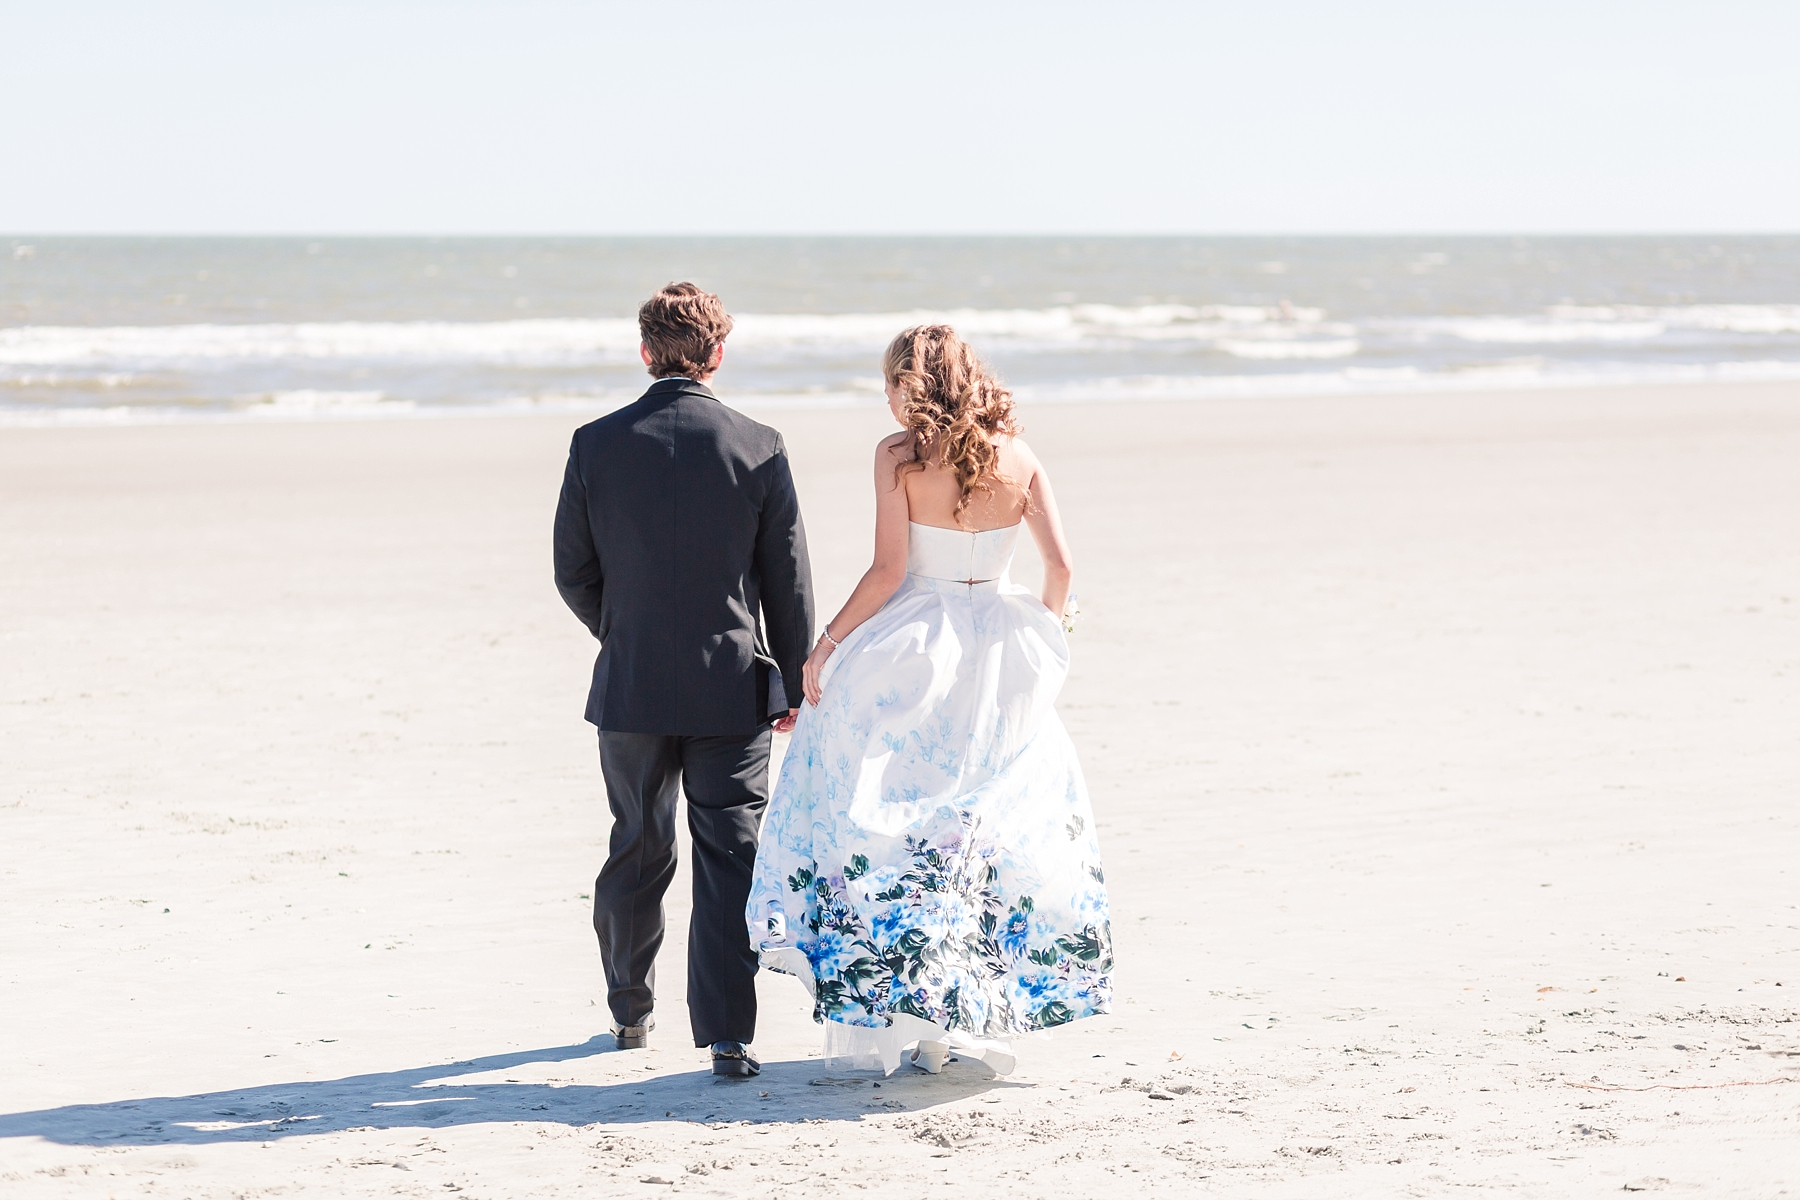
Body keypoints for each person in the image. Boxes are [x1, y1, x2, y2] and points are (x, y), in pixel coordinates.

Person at [747, 324, 1112, 1075]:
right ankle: (971, 1018)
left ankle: (914, 1014)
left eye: (889, 384)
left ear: (912, 387)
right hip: (999, 650)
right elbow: (1064, 568)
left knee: (892, 821)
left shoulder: (897, 456)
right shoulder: (1020, 456)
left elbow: (886, 571)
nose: (885, 398)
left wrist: (827, 646)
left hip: (916, 644)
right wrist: (1043, 627)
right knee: (980, 830)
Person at [553, 282, 813, 1078]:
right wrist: (797, 687)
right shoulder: (758, 444)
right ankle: (730, 1037)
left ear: (645, 352)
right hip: (731, 687)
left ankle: (630, 1012)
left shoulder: (594, 443)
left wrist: (624, 631)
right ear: (718, 353)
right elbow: (787, 582)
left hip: (631, 684)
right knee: (729, 854)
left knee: (636, 845)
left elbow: (573, 573)